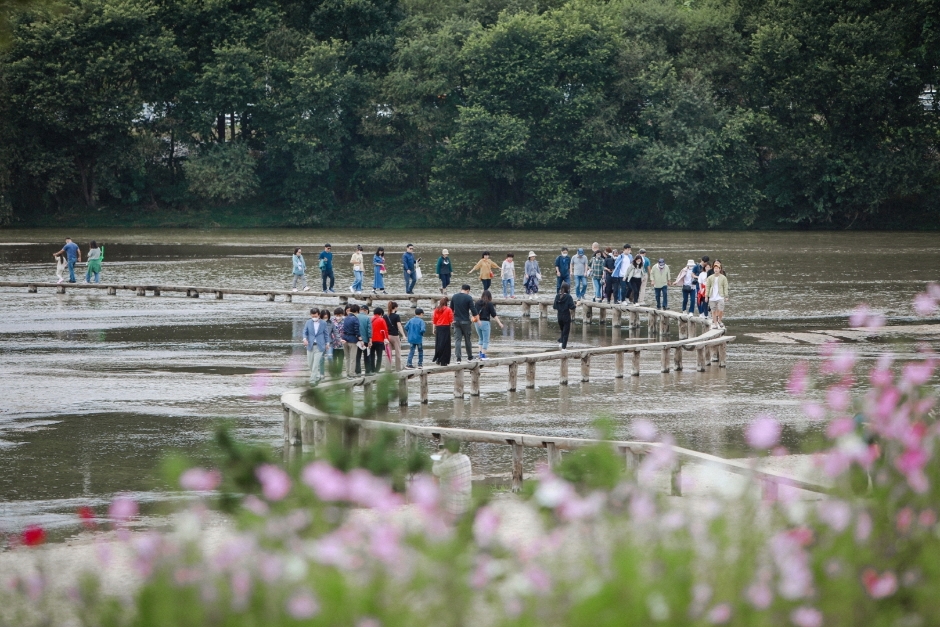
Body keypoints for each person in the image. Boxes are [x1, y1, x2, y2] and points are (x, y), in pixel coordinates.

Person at [432, 439, 472, 518]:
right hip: (466, 506)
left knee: (434, 476)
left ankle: (437, 507)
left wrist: (438, 457)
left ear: (447, 449)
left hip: (453, 511)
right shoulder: (466, 458)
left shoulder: (448, 464)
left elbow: (435, 470)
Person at [450, 284, 478, 363]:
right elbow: (473, 310)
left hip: (456, 321)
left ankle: (458, 358)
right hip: (465, 321)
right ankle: (469, 357)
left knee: (457, 340)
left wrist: (451, 320)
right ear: (468, 290)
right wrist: (477, 319)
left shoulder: (454, 297)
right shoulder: (468, 298)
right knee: (467, 340)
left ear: (461, 289)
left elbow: (451, 309)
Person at [302, 308, 329, 384]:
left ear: (319, 315)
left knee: (315, 364)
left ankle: (312, 380)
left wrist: (327, 343)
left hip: (320, 346)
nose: (314, 317)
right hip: (310, 345)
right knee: (310, 364)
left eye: (315, 316)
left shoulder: (323, 323)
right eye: (312, 316)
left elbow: (326, 334)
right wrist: (304, 339)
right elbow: (304, 332)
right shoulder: (308, 322)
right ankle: (317, 376)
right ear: (311, 315)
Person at [474, 289, 503, 360]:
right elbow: (494, 314)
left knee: (480, 338)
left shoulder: (477, 302)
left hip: (477, 322)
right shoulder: (489, 304)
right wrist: (499, 323)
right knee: (486, 340)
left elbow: (474, 312)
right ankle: (483, 356)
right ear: (489, 296)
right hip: (485, 322)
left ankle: (480, 353)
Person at [705, 260, 729, 329]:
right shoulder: (710, 278)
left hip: (720, 296)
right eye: (714, 268)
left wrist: (726, 296)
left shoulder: (723, 277)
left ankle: (719, 320)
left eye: (717, 268)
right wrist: (706, 296)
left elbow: (725, 287)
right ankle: (715, 324)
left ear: (719, 269)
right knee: (713, 310)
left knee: (721, 309)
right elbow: (707, 287)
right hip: (712, 296)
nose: (716, 270)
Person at [553, 282, 576, 350]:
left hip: (559, 316)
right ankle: (564, 348)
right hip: (566, 316)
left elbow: (554, 306)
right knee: (566, 332)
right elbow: (572, 307)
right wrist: (577, 304)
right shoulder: (568, 297)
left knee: (562, 330)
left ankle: (561, 342)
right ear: (567, 289)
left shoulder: (557, 296)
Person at [341, 304, 362, 378]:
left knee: (347, 358)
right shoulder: (355, 319)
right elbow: (357, 330)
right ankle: (352, 373)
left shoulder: (346, 318)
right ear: (356, 311)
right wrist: (360, 339)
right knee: (353, 358)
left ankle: (347, 372)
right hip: (352, 340)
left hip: (345, 339)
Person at [431, 297, 454, 366]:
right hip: (446, 327)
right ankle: (444, 360)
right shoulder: (448, 309)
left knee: (439, 343)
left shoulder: (436, 310)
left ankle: (438, 358)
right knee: (446, 344)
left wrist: (433, 329)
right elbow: (451, 319)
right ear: (446, 303)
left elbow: (434, 320)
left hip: (438, 327)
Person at [384, 301, 405, 370]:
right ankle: (398, 368)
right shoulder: (396, 316)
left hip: (387, 336)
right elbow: (399, 326)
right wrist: (403, 335)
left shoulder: (385, 316)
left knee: (388, 353)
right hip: (395, 336)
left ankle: (388, 368)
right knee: (398, 352)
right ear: (395, 308)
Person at [370, 307, 389, 373]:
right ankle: (377, 370)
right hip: (379, 340)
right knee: (379, 356)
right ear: (381, 313)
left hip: (371, 340)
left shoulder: (370, 319)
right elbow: (385, 330)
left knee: (371, 355)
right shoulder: (381, 320)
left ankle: (372, 369)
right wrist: (386, 339)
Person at [328, 307, 345, 376]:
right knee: (333, 359)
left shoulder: (345, 321)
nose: (338, 317)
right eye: (337, 315)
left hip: (342, 344)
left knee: (341, 360)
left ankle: (339, 372)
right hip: (333, 343)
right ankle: (333, 372)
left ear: (342, 314)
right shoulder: (331, 321)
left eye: (340, 315)